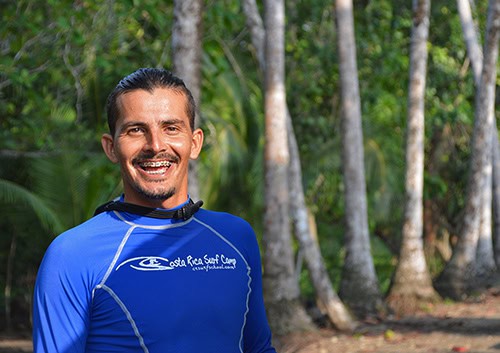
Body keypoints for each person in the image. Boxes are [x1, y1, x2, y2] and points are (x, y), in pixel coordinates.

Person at [32, 68, 277, 353]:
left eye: (171, 128)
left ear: (194, 142)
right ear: (111, 147)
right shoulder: (72, 255)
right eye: (136, 130)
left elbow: (259, 348)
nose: (156, 146)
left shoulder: (236, 237)